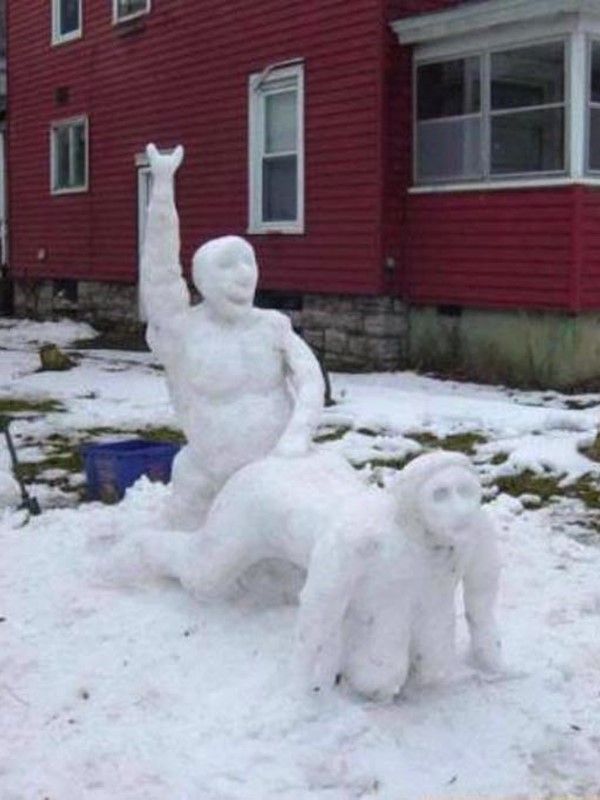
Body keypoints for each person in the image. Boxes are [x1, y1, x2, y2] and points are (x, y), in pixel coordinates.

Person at [139, 143, 324, 529]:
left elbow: (310, 381)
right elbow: (159, 272)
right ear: (202, 279)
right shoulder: (182, 331)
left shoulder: (273, 326)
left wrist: (297, 436)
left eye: (248, 263)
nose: (243, 275)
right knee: (196, 548)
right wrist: (163, 187)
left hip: (278, 475)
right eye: (227, 266)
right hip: (209, 482)